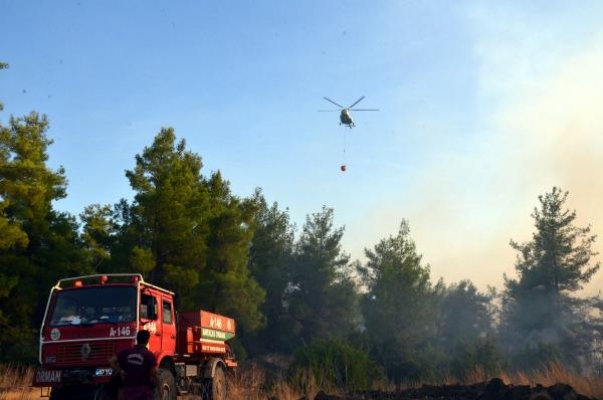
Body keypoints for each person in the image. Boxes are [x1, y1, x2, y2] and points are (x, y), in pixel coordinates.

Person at [109, 330, 161, 400]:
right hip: (143, 391)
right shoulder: (149, 355)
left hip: (128, 390)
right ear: (147, 340)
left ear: (137, 339)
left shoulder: (126, 352)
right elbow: (155, 374)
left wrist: (120, 370)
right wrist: (161, 392)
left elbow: (110, 360)